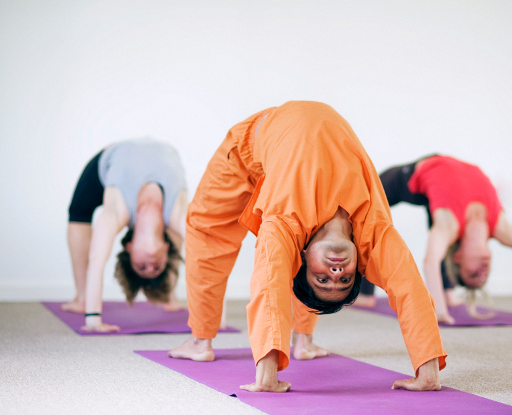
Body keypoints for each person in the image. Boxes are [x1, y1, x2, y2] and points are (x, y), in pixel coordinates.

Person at [169, 101, 446, 393]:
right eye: (345, 278)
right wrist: (427, 371)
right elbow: (409, 287)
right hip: (271, 148)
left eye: (323, 278)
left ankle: (201, 341)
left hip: (245, 153)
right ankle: (304, 340)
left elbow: (270, 282)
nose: (336, 271)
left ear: (301, 258)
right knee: (219, 234)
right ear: (359, 264)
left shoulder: (285, 223)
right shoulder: (373, 233)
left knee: (205, 226)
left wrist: (267, 376)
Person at [356, 155, 512, 325]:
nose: (483, 271)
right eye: (485, 275)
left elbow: (430, 261)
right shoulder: (501, 227)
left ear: (458, 257)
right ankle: (446, 293)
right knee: (365, 209)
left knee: (368, 213)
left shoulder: (449, 226)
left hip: (415, 178)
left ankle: (370, 295)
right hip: (427, 167)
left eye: (474, 274)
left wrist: (439, 312)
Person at [62, 138, 195, 332]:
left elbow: (97, 261)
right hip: (162, 150)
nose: (150, 264)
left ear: (129, 247)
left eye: (142, 267)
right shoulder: (178, 216)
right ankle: (170, 296)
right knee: (187, 232)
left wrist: (93, 320)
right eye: (157, 267)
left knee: (78, 212)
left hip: (109, 158)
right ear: (165, 251)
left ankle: (84, 299)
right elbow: (210, 259)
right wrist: (217, 322)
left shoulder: (116, 212)